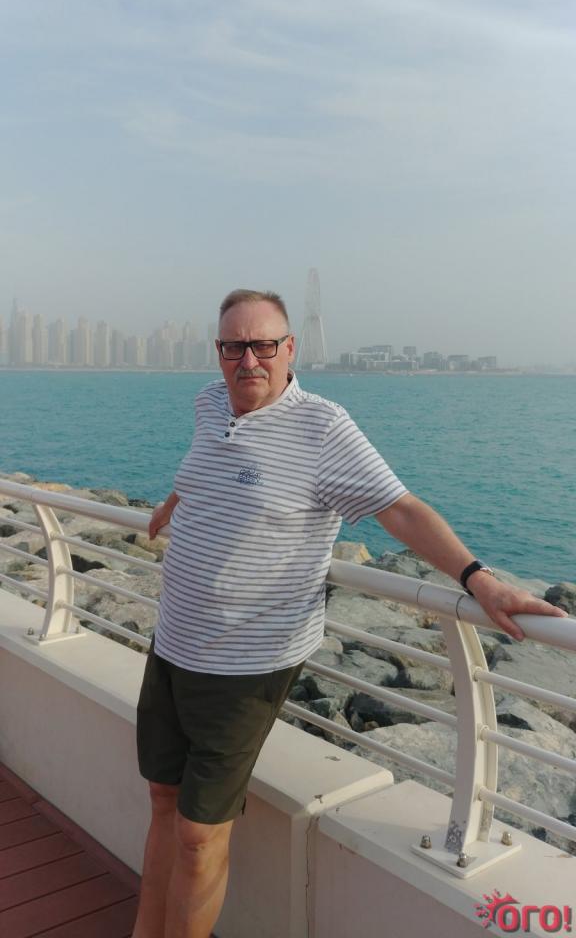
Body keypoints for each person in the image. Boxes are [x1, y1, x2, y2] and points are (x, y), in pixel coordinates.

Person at [132, 288, 566, 938]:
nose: (247, 360)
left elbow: (400, 509)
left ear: (290, 349)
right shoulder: (209, 403)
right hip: (172, 643)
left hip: (245, 663)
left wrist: (479, 579)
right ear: (218, 351)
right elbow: (208, 464)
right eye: (233, 346)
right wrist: (176, 499)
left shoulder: (323, 428)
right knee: (162, 797)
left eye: (263, 345)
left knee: (198, 834)